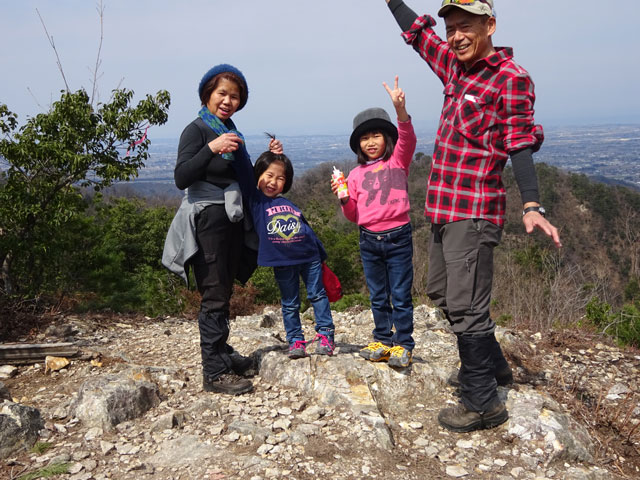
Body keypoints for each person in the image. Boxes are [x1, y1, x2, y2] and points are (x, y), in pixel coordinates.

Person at [384, 0, 562, 432]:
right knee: (442, 293)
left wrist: (531, 203)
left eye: (466, 26)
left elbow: (519, 142)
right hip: (443, 208)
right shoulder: (454, 67)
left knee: (467, 307)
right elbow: (420, 36)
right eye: (452, 28)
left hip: (475, 211)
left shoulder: (511, 79)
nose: (456, 36)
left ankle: (483, 402)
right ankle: (494, 367)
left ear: (490, 25)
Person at [162, 63, 282, 395]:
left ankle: (222, 353)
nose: (228, 101)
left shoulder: (231, 131)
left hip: (230, 220)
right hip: (207, 221)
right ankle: (214, 372)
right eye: (222, 94)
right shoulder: (198, 130)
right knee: (214, 293)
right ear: (208, 95)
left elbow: (243, 177)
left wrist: (269, 158)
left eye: (235, 96)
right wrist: (211, 148)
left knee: (224, 289)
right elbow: (181, 177)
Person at [332, 76, 417, 369]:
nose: (370, 142)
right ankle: (382, 340)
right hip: (368, 239)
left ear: (387, 138)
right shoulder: (354, 175)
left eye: (376, 136)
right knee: (378, 296)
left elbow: (408, 139)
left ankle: (403, 344)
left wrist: (400, 110)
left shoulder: (397, 161)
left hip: (398, 236)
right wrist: (344, 198)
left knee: (400, 295)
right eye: (365, 138)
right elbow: (354, 215)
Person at [233, 146, 336, 358]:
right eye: (269, 175)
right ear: (258, 175)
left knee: (317, 295)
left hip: (309, 256)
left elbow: (307, 229)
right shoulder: (256, 200)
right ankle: (296, 341)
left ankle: (326, 336)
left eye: (280, 178)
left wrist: (321, 255)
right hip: (282, 261)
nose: (273, 182)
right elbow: (243, 170)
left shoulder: (288, 203)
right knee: (290, 303)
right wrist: (239, 147)